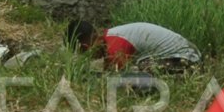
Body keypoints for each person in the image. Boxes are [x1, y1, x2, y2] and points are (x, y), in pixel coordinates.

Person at [67, 20, 201, 69]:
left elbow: (116, 75)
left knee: (134, 74)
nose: (93, 58)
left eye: (87, 54)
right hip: (187, 55)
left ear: (86, 47)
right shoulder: (111, 37)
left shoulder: (114, 43)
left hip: (185, 60)